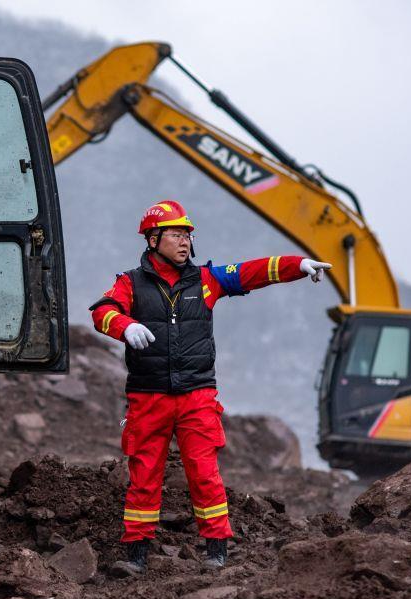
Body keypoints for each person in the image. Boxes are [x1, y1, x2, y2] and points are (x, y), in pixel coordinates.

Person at [89, 200, 331, 575]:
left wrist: (296, 266)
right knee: (144, 474)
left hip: (197, 395)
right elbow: (101, 312)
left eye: (187, 234)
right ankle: (136, 553)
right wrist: (125, 326)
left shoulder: (207, 280)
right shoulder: (130, 283)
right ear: (153, 239)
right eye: (175, 234)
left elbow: (252, 272)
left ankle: (216, 548)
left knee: (204, 473)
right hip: (148, 396)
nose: (185, 241)